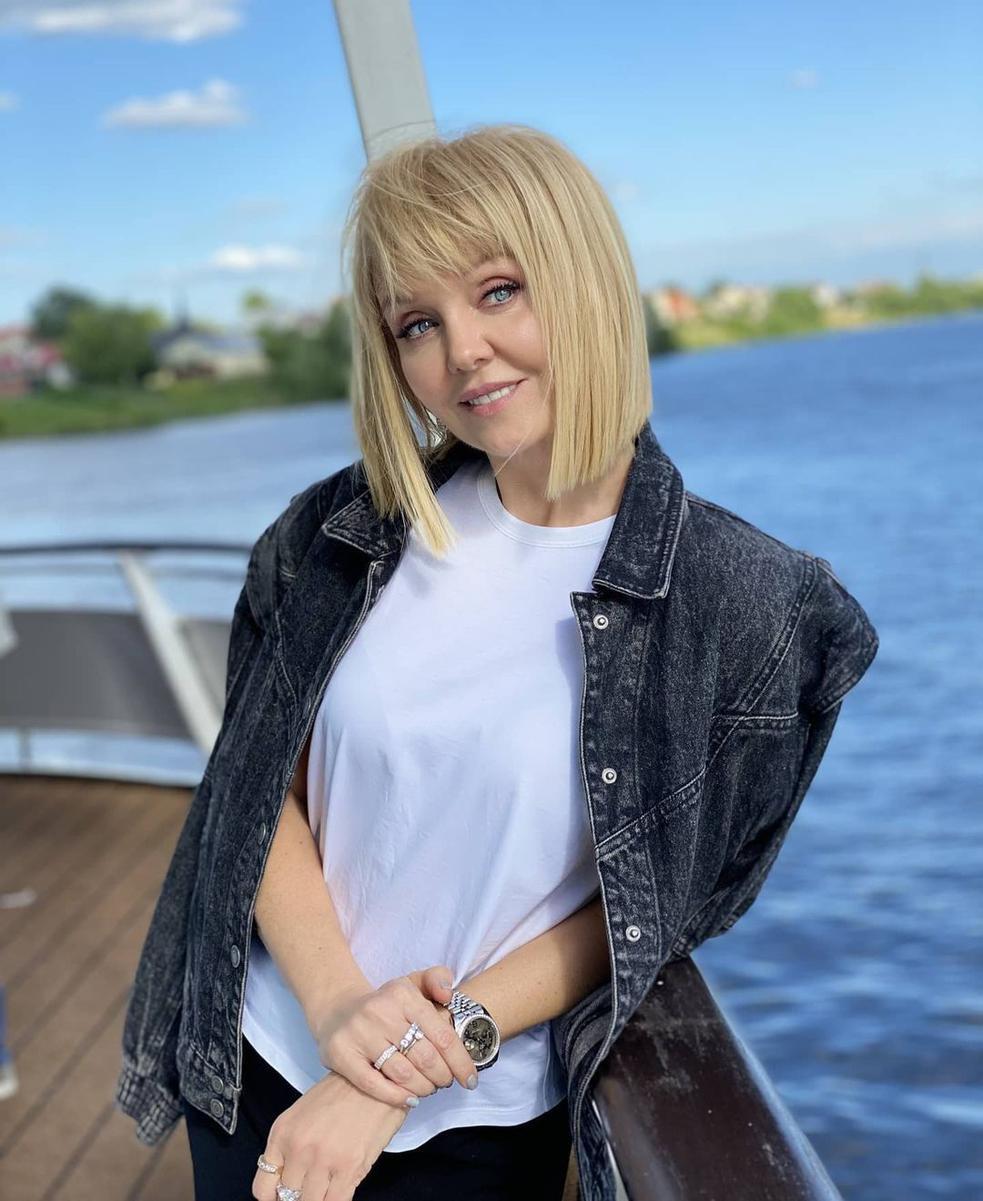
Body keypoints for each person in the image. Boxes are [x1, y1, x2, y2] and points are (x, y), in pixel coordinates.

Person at [116, 123, 879, 1201]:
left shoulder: (749, 607)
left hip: (472, 1120)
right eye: (417, 323)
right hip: (255, 1061)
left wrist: (403, 1066)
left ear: (582, 281)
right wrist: (339, 1010)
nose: (462, 352)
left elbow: (657, 910)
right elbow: (256, 790)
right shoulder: (333, 534)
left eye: (499, 291)